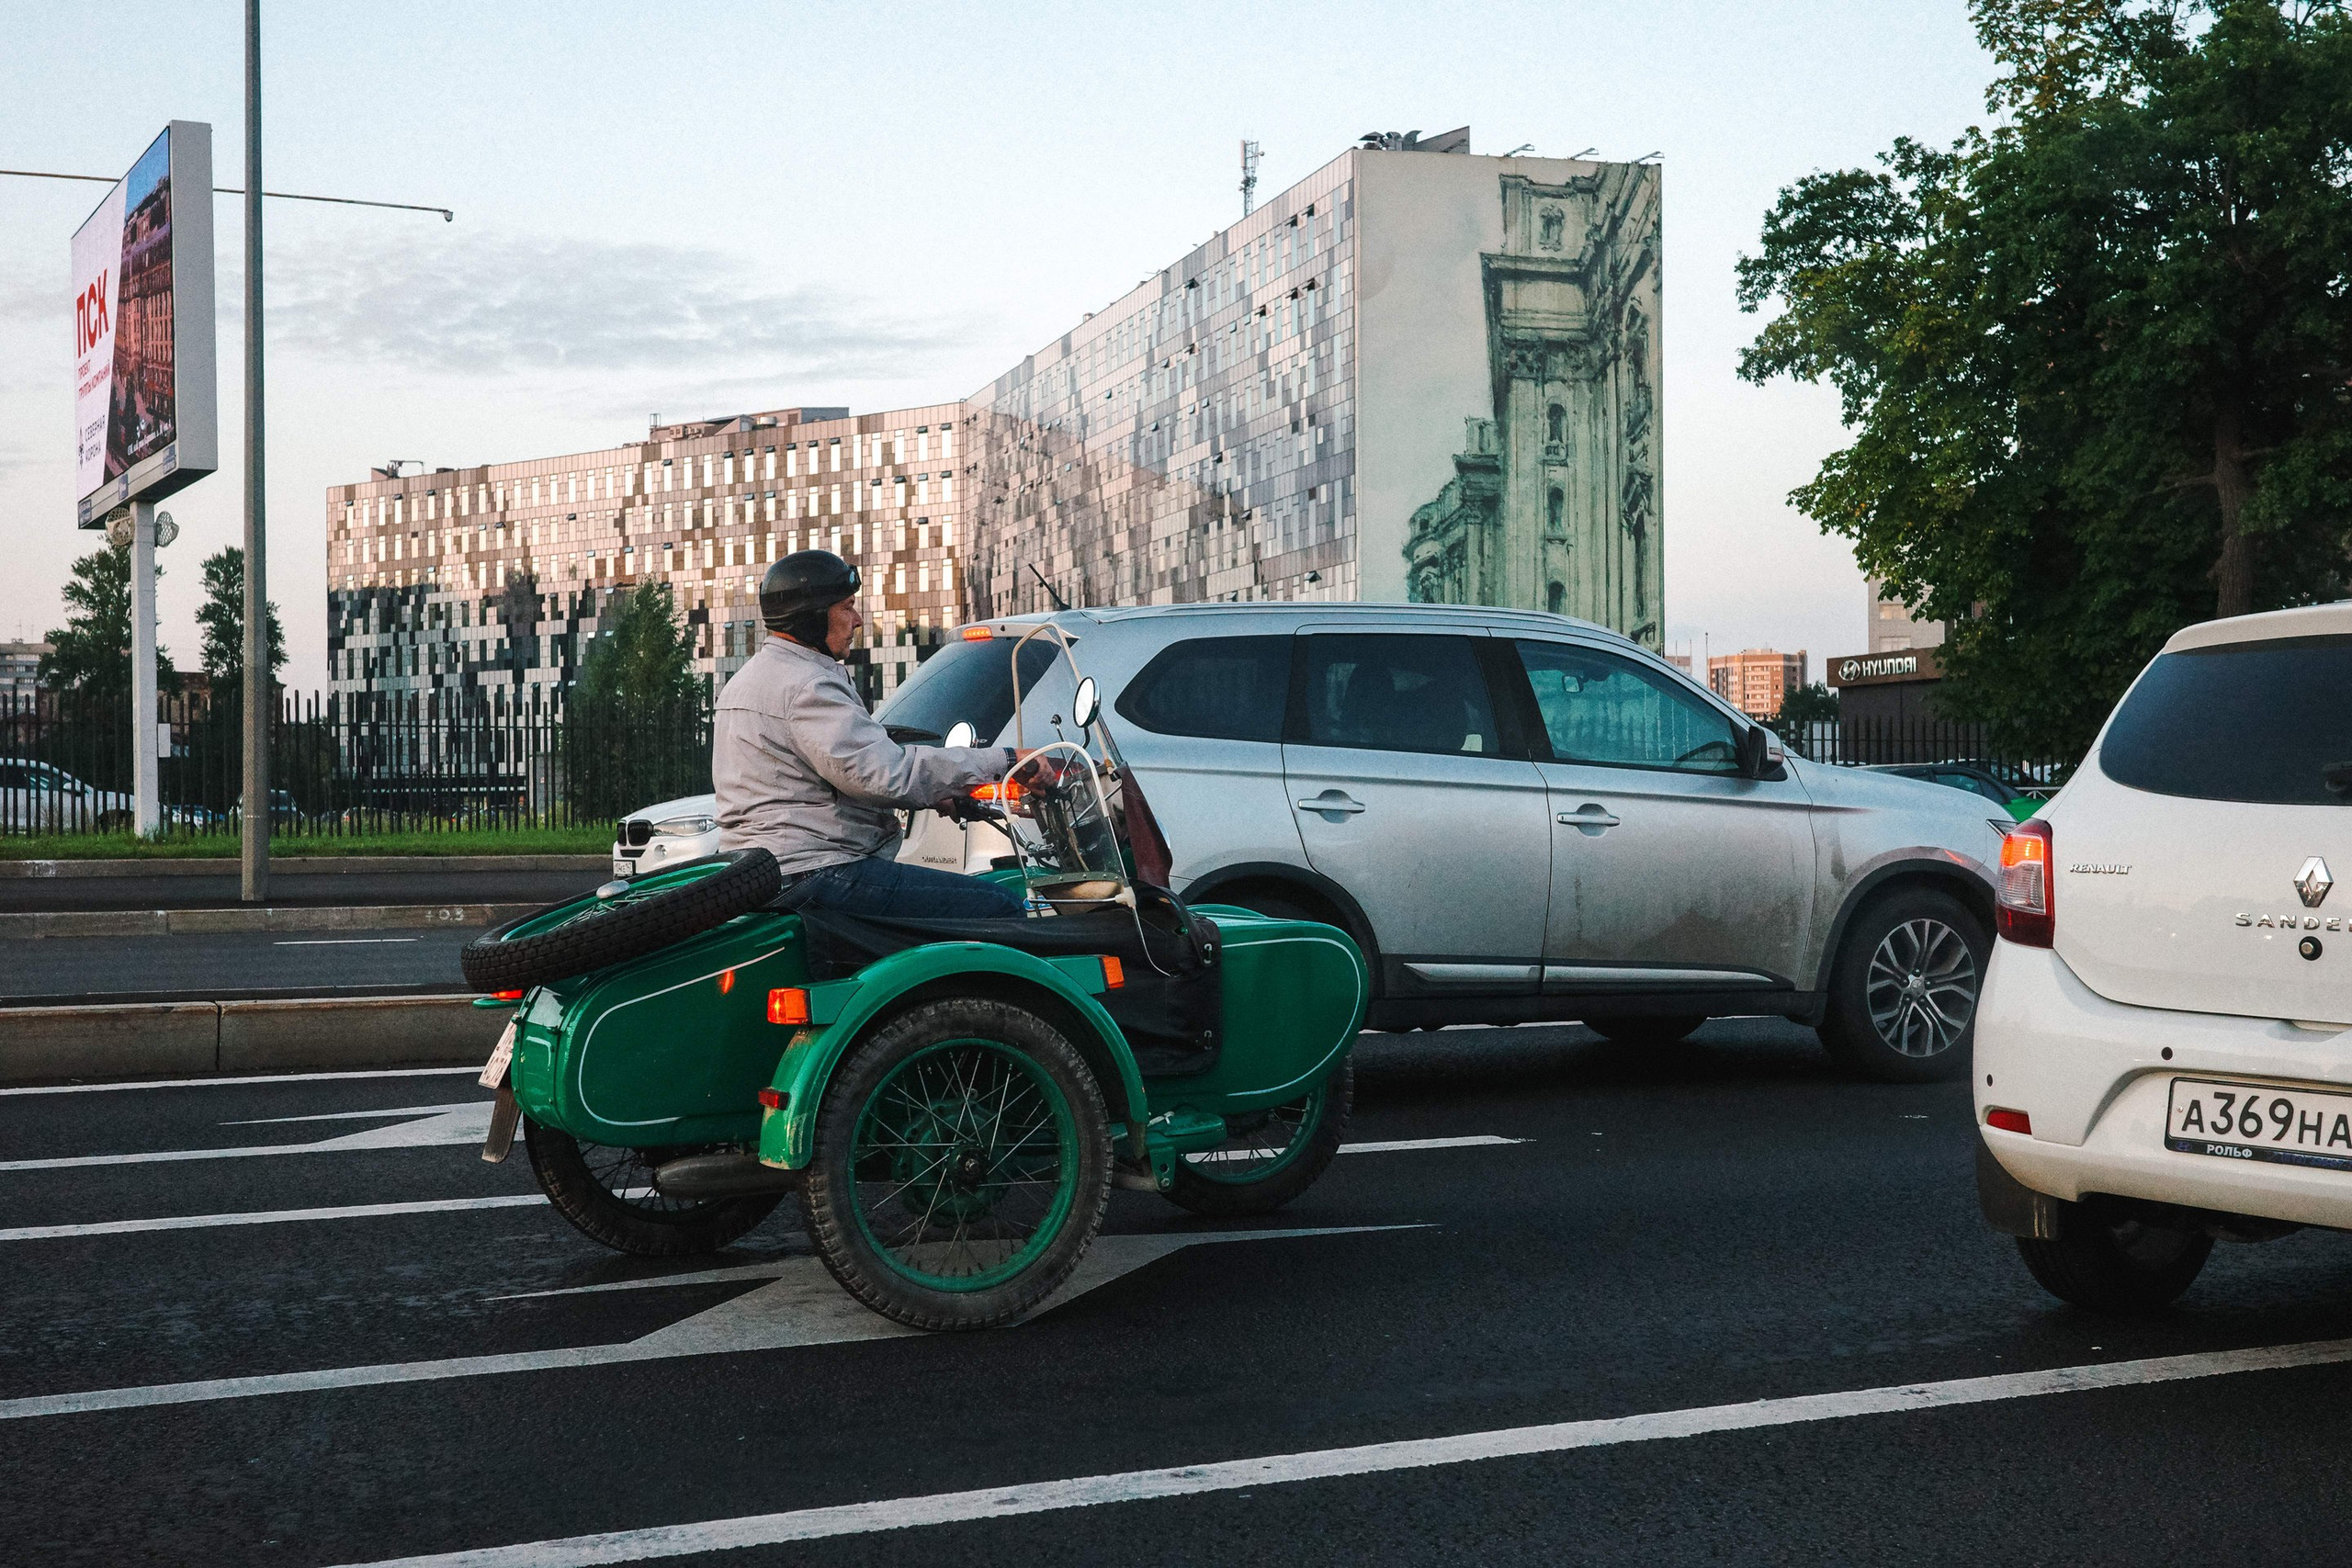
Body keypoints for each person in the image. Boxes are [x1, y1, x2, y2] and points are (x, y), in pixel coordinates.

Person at [713, 550, 1024, 919]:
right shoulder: (807, 685)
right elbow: (885, 776)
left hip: (767, 871)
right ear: (811, 618)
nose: (858, 620)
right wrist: (1006, 761)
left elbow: (814, 781)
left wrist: (940, 793)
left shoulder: (748, 681)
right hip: (816, 871)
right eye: (846, 607)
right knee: (1000, 907)